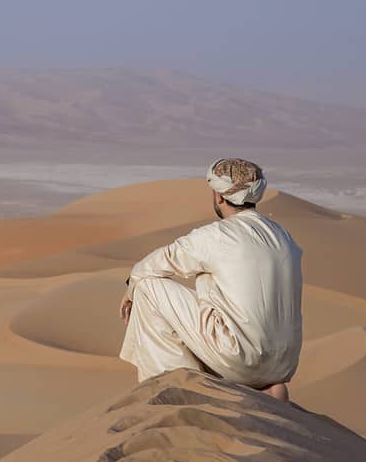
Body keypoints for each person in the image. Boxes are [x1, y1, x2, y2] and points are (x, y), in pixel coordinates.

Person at [118, 158, 302, 401]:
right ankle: (261, 388)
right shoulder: (283, 237)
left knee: (146, 287)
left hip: (239, 357)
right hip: (282, 365)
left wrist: (131, 286)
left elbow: (158, 262)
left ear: (218, 195)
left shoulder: (218, 236)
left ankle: (181, 388)